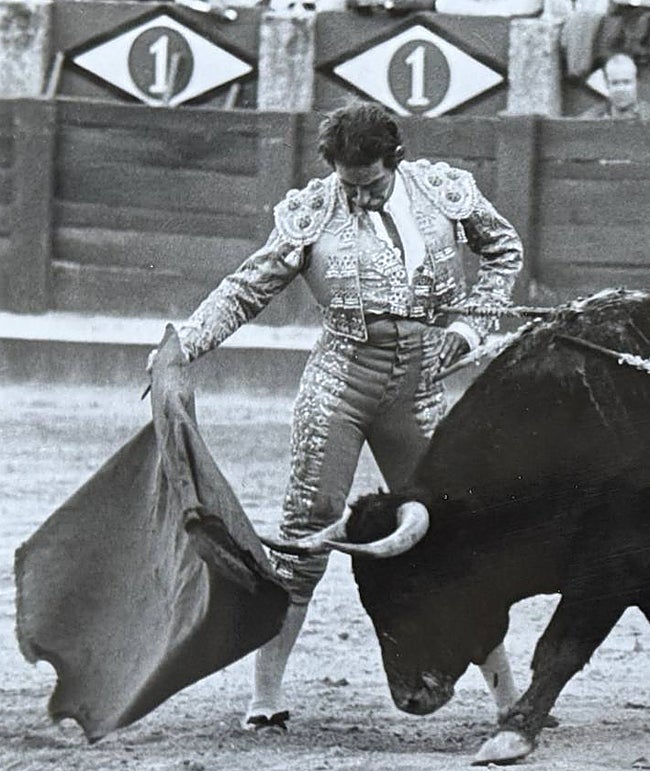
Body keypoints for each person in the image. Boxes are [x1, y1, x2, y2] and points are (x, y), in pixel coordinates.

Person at [147, 103, 525, 732]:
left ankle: (510, 700)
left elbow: (504, 251)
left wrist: (470, 320)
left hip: (423, 380)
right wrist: (184, 343)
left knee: (452, 535)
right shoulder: (316, 208)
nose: (360, 196)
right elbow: (248, 287)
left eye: (372, 183)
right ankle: (264, 700)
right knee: (306, 532)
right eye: (349, 184)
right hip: (341, 382)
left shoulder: (444, 192)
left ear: (395, 160)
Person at [580, 53, 650, 119]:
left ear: (636, 83)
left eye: (626, 82)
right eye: (615, 83)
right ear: (607, 84)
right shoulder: (591, 119)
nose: (621, 89)